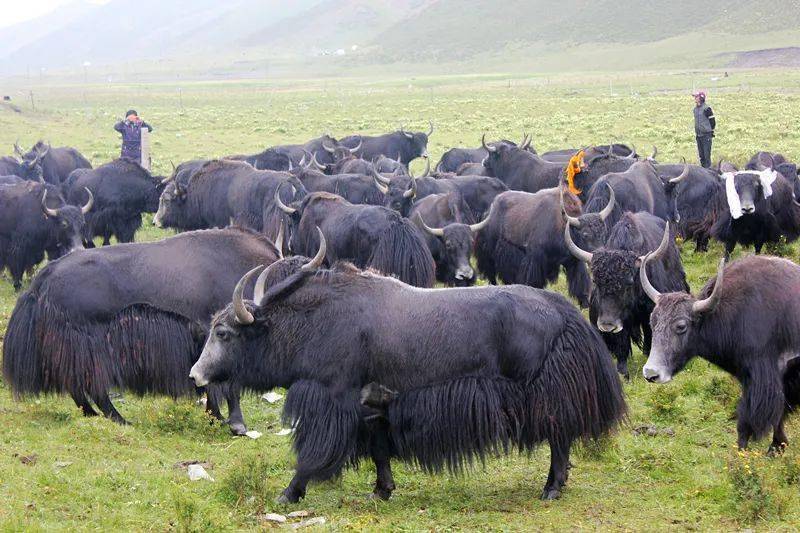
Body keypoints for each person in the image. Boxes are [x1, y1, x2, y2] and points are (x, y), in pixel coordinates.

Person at [693, 92, 715, 168]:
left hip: (706, 135)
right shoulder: (695, 109)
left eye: (696, 97)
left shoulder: (707, 109)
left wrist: (710, 130)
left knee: (706, 156)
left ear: (701, 98)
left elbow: (712, 121)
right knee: (701, 156)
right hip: (698, 135)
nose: (695, 98)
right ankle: (703, 170)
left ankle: (708, 171)